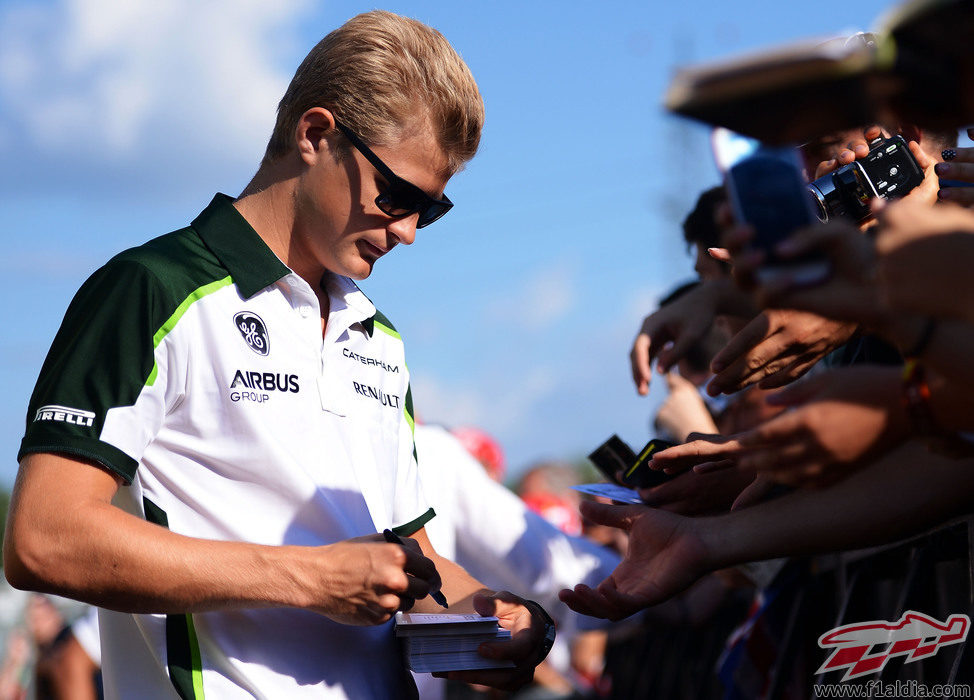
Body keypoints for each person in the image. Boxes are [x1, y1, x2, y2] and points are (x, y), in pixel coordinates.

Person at [4, 11, 552, 699]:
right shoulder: (151, 287)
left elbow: (418, 567)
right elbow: (43, 537)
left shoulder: (378, 339)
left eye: (431, 211)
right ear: (316, 134)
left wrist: (501, 621)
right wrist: (309, 578)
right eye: (398, 196)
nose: (410, 232)